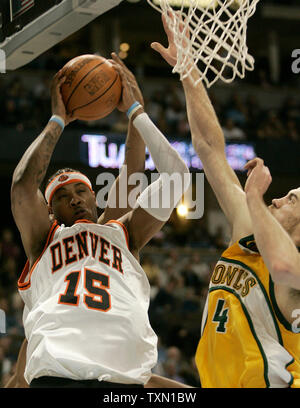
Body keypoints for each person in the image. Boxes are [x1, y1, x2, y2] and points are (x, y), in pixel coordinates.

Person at [9, 53, 191, 388]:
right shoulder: (43, 240)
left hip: (123, 383)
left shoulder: (123, 231)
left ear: (96, 196)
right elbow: (22, 185)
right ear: (50, 212)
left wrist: (137, 111)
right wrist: (57, 120)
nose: (74, 198)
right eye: (61, 197)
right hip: (58, 376)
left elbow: (175, 176)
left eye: (81, 190)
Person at [152, 14, 300, 388]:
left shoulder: (294, 272)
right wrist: (188, 68)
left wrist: (254, 195)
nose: (280, 199)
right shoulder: (250, 230)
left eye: (293, 199)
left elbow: (282, 265)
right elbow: (208, 148)